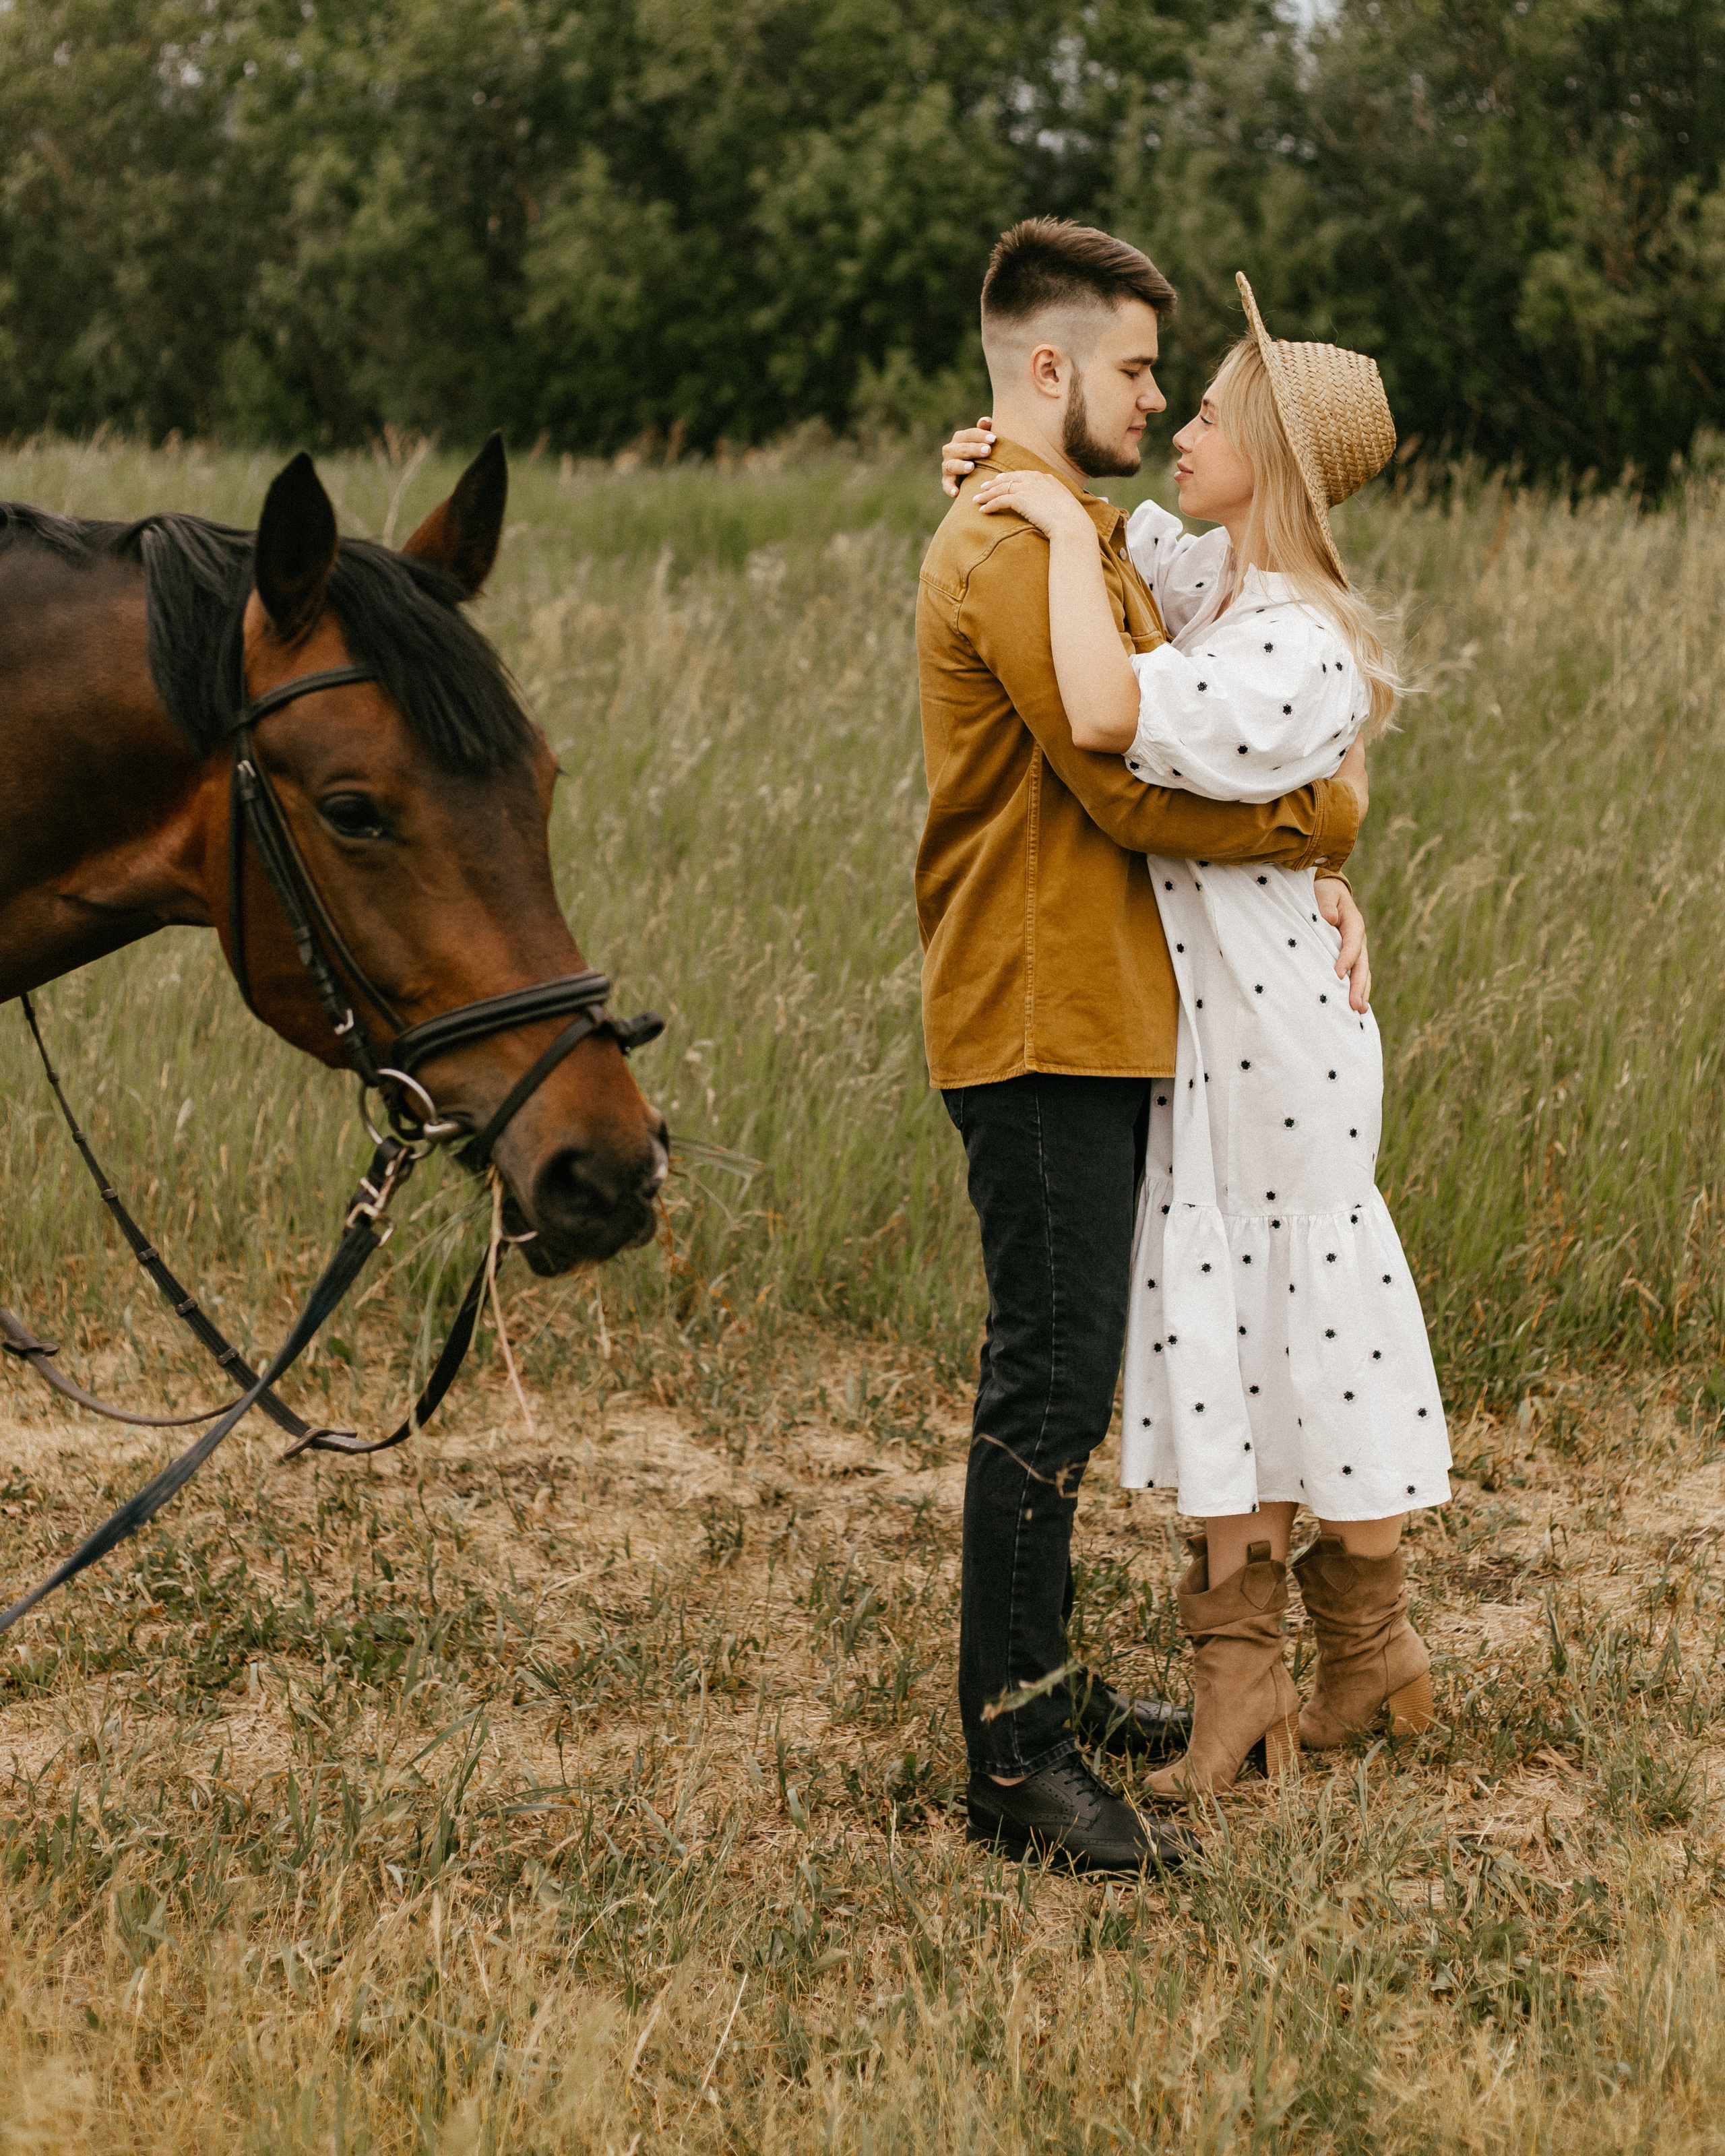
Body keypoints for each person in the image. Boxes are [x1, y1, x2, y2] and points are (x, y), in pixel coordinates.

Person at [944, 272, 1451, 1800]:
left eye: (1209, 409)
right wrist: (1004, 476)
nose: (1179, 421)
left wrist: (1032, 520)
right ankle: (1329, 1668)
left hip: (1270, 1037)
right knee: (1261, 1319)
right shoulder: (1209, 580)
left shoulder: (1283, 637)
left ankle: (1322, 1666)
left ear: (1272, 467)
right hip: (1227, 1021)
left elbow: (1106, 725)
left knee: (1282, 1315)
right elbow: (1126, 554)